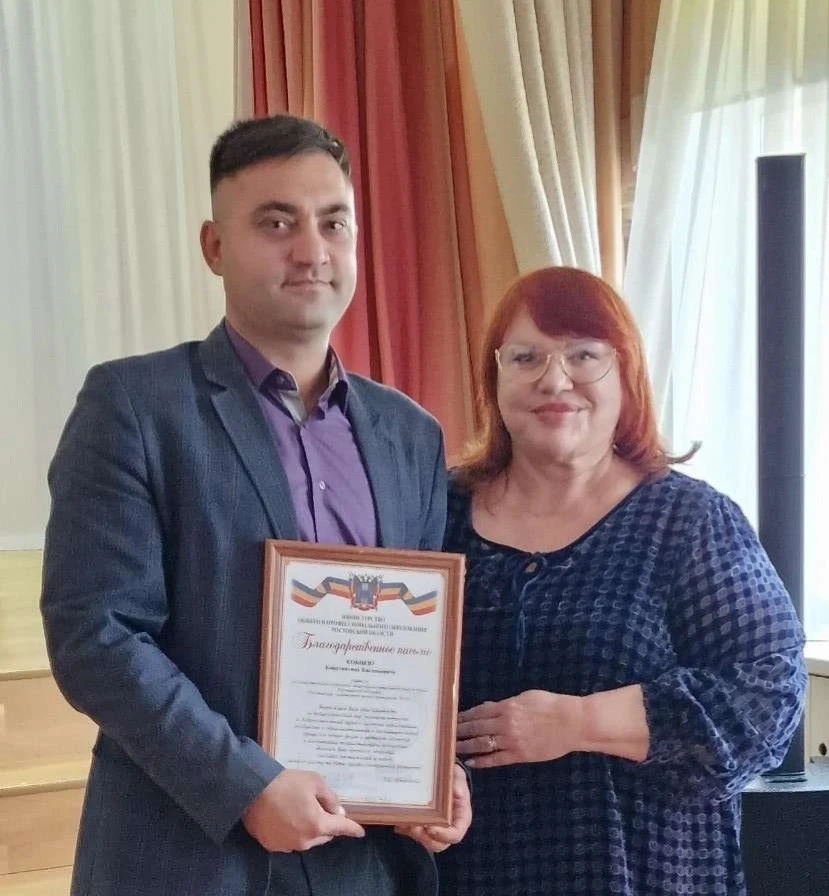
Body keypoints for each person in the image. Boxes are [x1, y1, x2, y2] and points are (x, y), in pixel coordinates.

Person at [40, 114, 471, 896]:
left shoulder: (412, 436)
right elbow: (95, 635)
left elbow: (419, 647)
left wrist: (432, 773)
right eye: (276, 223)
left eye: (333, 223)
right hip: (188, 857)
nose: (311, 250)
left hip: (363, 866)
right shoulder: (134, 406)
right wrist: (245, 786)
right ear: (214, 246)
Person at [434, 266, 806, 895]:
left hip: (645, 873)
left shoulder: (687, 520)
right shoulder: (434, 515)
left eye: (584, 355)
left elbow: (767, 695)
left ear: (626, 372)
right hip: (467, 873)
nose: (555, 379)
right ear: (494, 377)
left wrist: (577, 722)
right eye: (525, 357)